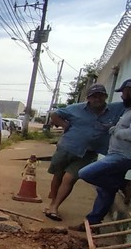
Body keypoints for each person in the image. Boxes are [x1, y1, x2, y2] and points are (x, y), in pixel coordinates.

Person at [43, 83, 125, 221]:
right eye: (94, 96)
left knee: (70, 178)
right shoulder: (76, 109)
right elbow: (55, 114)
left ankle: (54, 207)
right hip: (67, 148)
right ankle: (52, 202)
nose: (97, 99)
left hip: (88, 153)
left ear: (105, 96)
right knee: (58, 176)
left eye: (100, 95)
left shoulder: (116, 109)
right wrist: (64, 125)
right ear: (88, 98)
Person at [71, 79, 131, 230]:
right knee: (105, 190)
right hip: (116, 153)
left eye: (123, 92)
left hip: (123, 156)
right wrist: (112, 129)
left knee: (86, 173)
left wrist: (116, 132)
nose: (122, 96)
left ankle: (124, 184)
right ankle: (92, 223)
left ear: (129, 91)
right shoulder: (128, 111)